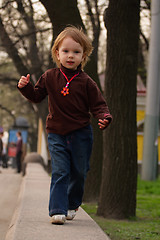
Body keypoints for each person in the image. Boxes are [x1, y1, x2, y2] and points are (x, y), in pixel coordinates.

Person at [17, 26, 112, 225]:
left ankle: (72, 203)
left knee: (79, 171)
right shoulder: (50, 76)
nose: (70, 56)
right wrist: (25, 87)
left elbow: (99, 105)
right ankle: (57, 209)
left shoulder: (87, 82)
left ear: (83, 56)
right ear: (57, 53)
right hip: (57, 132)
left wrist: (104, 117)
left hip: (81, 133)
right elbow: (36, 96)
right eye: (66, 51)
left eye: (76, 52)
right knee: (60, 170)